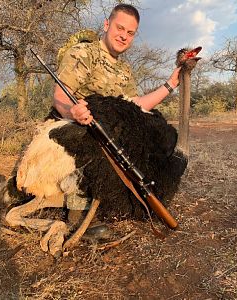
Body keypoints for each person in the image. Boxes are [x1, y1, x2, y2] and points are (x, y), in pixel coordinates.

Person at [52, 4, 181, 229]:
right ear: (106, 24)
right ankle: (79, 214)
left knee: (153, 127)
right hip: (79, 125)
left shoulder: (125, 71)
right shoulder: (83, 53)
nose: (124, 36)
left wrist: (171, 84)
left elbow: (135, 107)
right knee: (95, 139)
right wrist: (72, 112)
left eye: (130, 33)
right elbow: (61, 97)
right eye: (120, 28)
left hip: (110, 128)